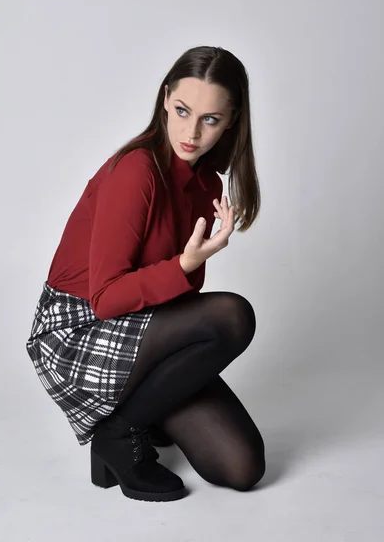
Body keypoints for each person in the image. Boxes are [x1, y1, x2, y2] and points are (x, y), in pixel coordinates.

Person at [26, 45, 264, 502]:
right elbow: (107, 299)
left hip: (138, 331)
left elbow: (180, 299)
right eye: (182, 110)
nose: (191, 132)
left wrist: (188, 267)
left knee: (242, 467)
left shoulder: (207, 185)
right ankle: (118, 432)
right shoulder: (136, 170)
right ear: (165, 99)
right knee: (232, 316)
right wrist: (186, 265)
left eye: (210, 119)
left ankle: (133, 417)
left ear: (231, 121)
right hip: (76, 331)